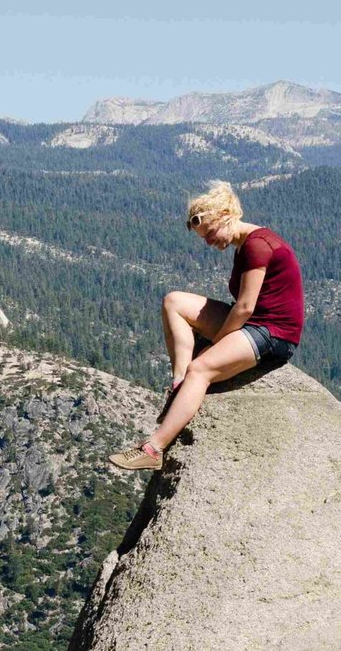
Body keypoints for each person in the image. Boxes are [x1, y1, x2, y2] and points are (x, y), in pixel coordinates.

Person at [109, 180, 305, 470]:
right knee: (174, 302)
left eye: (210, 234)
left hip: (273, 333)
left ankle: (153, 449)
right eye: (204, 237)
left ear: (226, 216)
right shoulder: (245, 245)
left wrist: (215, 346)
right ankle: (178, 384)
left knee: (200, 370)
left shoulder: (257, 246)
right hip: (254, 323)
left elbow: (245, 307)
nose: (209, 242)